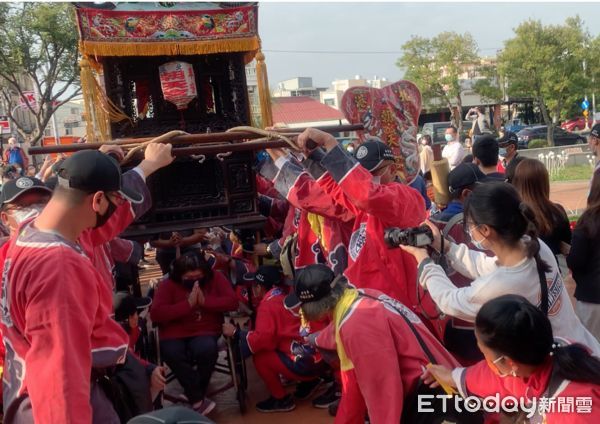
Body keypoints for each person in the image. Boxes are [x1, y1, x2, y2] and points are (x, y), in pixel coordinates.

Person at [0, 149, 150, 423]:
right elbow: (60, 373)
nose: (116, 209)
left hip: (28, 391)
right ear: (98, 200)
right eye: (116, 200)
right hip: (56, 406)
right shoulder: (59, 265)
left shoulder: (28, 237)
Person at [400, 181, 600, 356]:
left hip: (562, 372)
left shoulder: (502, 284)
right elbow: (485, 266)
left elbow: (450, 300)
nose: (470, 230)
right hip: (584, 348)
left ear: (486, 230)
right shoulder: (534, 245)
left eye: (470, 225)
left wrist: (423, 261)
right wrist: (445, 246)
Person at [286, 264, 476, 424]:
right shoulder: (360, 296)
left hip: (435, 398)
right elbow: (339, 329)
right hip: (443, 381)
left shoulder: (357, 327)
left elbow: (382, 392)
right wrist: (318, 339)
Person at [295, 129, 438, 330]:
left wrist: (330, 142)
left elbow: (366, 194)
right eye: (363, 173)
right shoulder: (366, 200)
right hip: (367, 300)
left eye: (375, 171)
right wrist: (309, 156)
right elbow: (339, 190)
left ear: (393, 168)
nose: (368, 177)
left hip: (395, 307)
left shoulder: (405, 197)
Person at [424, 295, 600, 423]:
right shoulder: (556, 351)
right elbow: (497, 381)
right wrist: (453, 376)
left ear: (510, 364)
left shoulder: (573, 413)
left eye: (484, 352)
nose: (485, 361)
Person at [222, 265, 327, 413]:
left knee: (260, 356)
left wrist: (236, 333)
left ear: (259, 287)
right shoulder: (287, 295)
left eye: (255, 285)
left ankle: (281, 399)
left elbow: (263, 341)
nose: (253, 289)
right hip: (321, 358)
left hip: (305, 363)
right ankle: (311, 382)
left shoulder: (267, 305)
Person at [150, 251, 238, 415]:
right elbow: (156, 314)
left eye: (198, 277)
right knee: (171, 351)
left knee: (205, 349)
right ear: (180, 276)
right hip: (173, 333)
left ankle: (192, 395)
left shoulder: (216, 278)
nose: (195, 282)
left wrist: (205, 302)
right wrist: (188, 304)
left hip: (205, 329)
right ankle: (197, 399)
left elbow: (233, 302)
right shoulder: (168, 285)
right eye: (189, 279)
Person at [512, 158, 571, 257]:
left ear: (517, 181)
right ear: (544, 183)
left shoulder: (512, 213)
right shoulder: (557, 211)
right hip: (552, 268)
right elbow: (567, 243)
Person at [568, 175, 600, 340]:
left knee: (592, 347)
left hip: (592, 296)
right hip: (592, 294)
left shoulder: (588, 220)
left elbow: (576, 261)